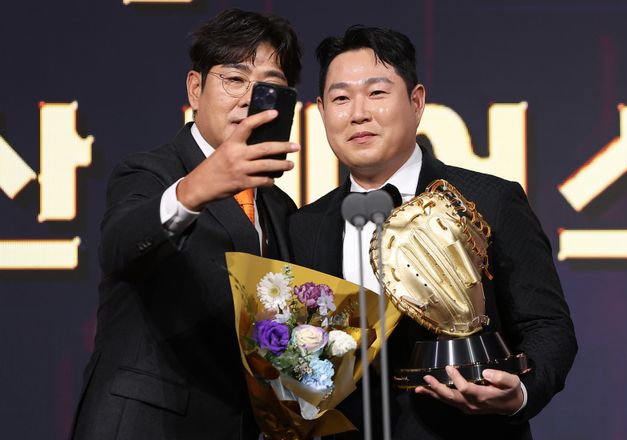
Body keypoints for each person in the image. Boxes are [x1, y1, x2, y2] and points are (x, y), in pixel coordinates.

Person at [288, 25, 577, 439]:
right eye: (340, 98)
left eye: (377, 92)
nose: (358, 113)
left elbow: (547, 326)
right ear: (321, 112)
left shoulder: (490, 201)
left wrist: (519, 394)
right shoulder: (302, 226)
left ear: (416, 101)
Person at [70, 9, 301, 439]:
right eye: (235, 79)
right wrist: (194, 190)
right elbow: (119, 246)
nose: (249, 99)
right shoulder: (149, 172)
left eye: (268, 86)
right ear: (196, 89)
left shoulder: (281, 208)